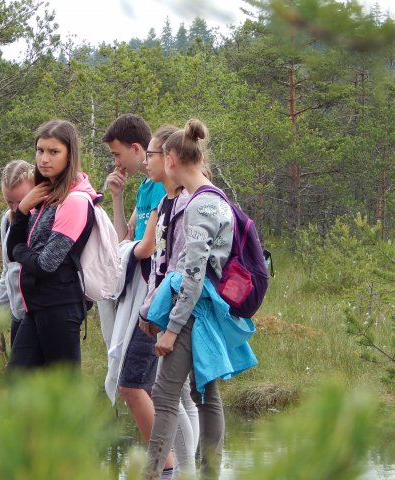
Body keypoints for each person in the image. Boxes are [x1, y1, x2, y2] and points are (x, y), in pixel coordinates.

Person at [144, 119, 257, 480]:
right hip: (207, 309)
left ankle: (150, 475)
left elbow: (193, 275)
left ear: (172, 160)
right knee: (206, 393)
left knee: (164, 396)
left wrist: (172, 329)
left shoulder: (200, 206)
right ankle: (210, 474)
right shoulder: (216, 198)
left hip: (194, 312)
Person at [101, 114, 174, 478]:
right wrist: (117, 197)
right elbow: (123, 239)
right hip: (141, 298)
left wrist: (129, 249)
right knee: (152, 391)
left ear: (136, 149)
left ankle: (167, 466)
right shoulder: (145, 187)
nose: (116, 162)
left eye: (117, 154)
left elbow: (145, 248)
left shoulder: (161, 187)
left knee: (134, 386)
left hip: (156, 298)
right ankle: (170, 466)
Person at [5, 119, 98, 368]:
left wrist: (20, 250)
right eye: (40, 150)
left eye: (54, 152)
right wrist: (22, 210)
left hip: (60, 306)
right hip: (36, 306)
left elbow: (46, 264)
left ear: (70, 155)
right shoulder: (45, 195)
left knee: (62, 386)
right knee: (16, 382)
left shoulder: (74, 201)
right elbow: (11, 249)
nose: (44, 159)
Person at [137, 125, 201, 478]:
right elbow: (158, 263)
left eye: (151, 154)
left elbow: (180, 267)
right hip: (167, 308)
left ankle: (186, 472)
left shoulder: (188, 203)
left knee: (170, 396)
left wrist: (167, 315)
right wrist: (150, 308)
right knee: (180, 394)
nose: (146, 161)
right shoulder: (165, 202)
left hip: (181, 310)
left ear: (169, 158)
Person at [0, 160, 35, 346]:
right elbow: (8, 274)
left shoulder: (43, 221)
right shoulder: (7, 221)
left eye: (21, 201)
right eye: (9, 201)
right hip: (18, 316)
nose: (15, 208)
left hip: (39, 316)